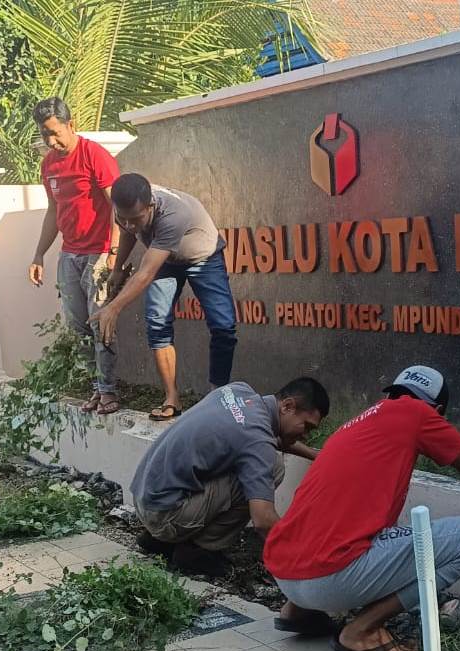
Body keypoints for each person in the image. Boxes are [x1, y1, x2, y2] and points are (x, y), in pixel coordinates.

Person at [263, 365, 460, 651]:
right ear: (437, 409)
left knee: (359, 526)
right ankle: (363, 630)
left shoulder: (359, 423)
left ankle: (298, 611)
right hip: (328, 580)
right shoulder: (418, 413)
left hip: (285, 574)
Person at [130, 378, 329, 577]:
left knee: (260, 463)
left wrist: (317, 456)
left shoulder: (238, 391)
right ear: (287, 406)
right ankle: (197, 550)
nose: (306, 435)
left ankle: (161, 540)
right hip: (164, 515)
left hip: (145, 497)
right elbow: (263, 520)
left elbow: (269, 439)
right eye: (307, 427)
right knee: (274, 468)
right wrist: (303, 557)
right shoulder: (257, 440)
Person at [90, 173, 236, 421]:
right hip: (167, 259)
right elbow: (127, 232)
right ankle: (172, 398)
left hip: (203, 256)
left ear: (151, 205)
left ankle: (217, 396)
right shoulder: (126, 209)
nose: (130, 225)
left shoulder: (173, 214)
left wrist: (113, 308)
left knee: (224, 325)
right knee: (157, 323)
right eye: (124, 218)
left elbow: (146, 273)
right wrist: (117, 268)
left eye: (136, 219)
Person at [28, 97, 122, 415]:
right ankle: (96, 388)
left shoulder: (94, 156)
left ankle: (109, 391)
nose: (52, 141)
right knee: (77, 325)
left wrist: (113, 251)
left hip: (98, 251)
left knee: (100, 323)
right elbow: (54, 212)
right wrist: (39, 253)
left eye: (56, 132)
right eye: (45, 135)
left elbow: (117, 206)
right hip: (70, 253)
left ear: (72, 124)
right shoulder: (49, 165)